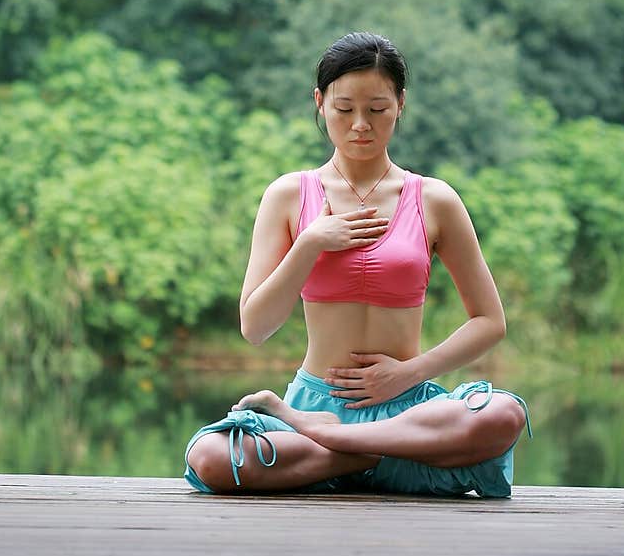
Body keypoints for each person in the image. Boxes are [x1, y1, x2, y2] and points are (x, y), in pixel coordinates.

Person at [183, 30, 531, 498]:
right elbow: (255, 326)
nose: (361, 124)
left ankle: (347, 447)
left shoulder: (433, 198)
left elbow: (489, 321)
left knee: (504, 415)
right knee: (209, 458)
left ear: (401, 104)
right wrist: (309, 244)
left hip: (409, 415)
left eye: (378, 109)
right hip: (314, 406)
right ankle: (354, 450)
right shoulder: (289, 195)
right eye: (344, 109)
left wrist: (409, 373)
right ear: (320, 102)